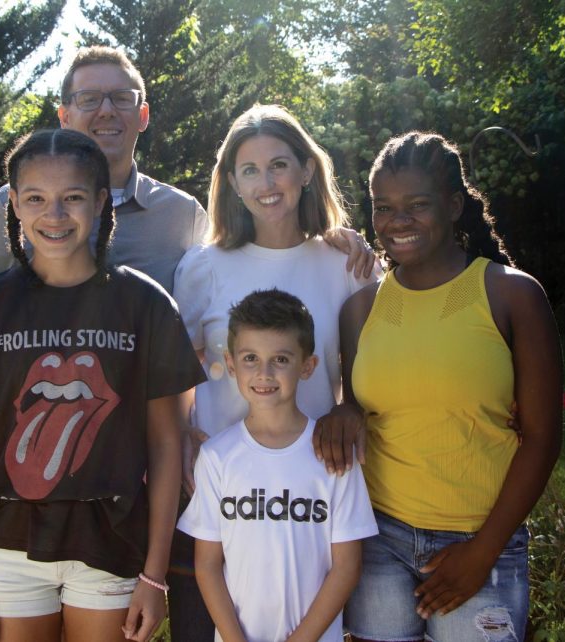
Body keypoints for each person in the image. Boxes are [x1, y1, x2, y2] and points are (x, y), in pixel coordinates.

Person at [0, 129, 206, 642]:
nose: (54, 214)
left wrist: (154, 574)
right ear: (14, 205)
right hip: (6, 548)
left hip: (112, 545)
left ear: (100, 202)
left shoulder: (147, 305)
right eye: (36, 198)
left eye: (72, 197)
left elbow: (167, 443)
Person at [313, 131, 562, 642]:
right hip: (379, 538)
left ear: (453, 205)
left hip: (479, 541)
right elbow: (361, 403)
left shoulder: (511, 295)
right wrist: (345, 410)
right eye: (384, 207)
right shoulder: (360, 307)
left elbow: (542, 438)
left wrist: (483, 552)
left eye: (417, 205)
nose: (397, 221)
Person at [0, 47, 374, 335]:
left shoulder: (182, 215)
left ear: (143, 114)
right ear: (65, 115)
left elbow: (241, 270)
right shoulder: (12, 205)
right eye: (89, 98)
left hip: (146, 441)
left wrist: (326, 236)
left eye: (121, 98)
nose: (107, 110)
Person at [170, 104, 381, 640]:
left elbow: (372, 365)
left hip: (314, 486)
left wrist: (347, 408)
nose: (266, 183)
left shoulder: (345, 263)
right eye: (249, 170)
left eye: (279, 165)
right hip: (227, 490)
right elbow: (171, 366)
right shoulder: (205, 265)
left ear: (307, 171)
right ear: (232, 185)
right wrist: (180, 433)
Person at [178, 289, 378, 642]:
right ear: (232, 362)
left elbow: (347, 566)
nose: (264, 373)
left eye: (281, 360)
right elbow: (207, 565)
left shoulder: (333, 456)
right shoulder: (217, 457)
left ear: (307, 366)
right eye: (251, 358)